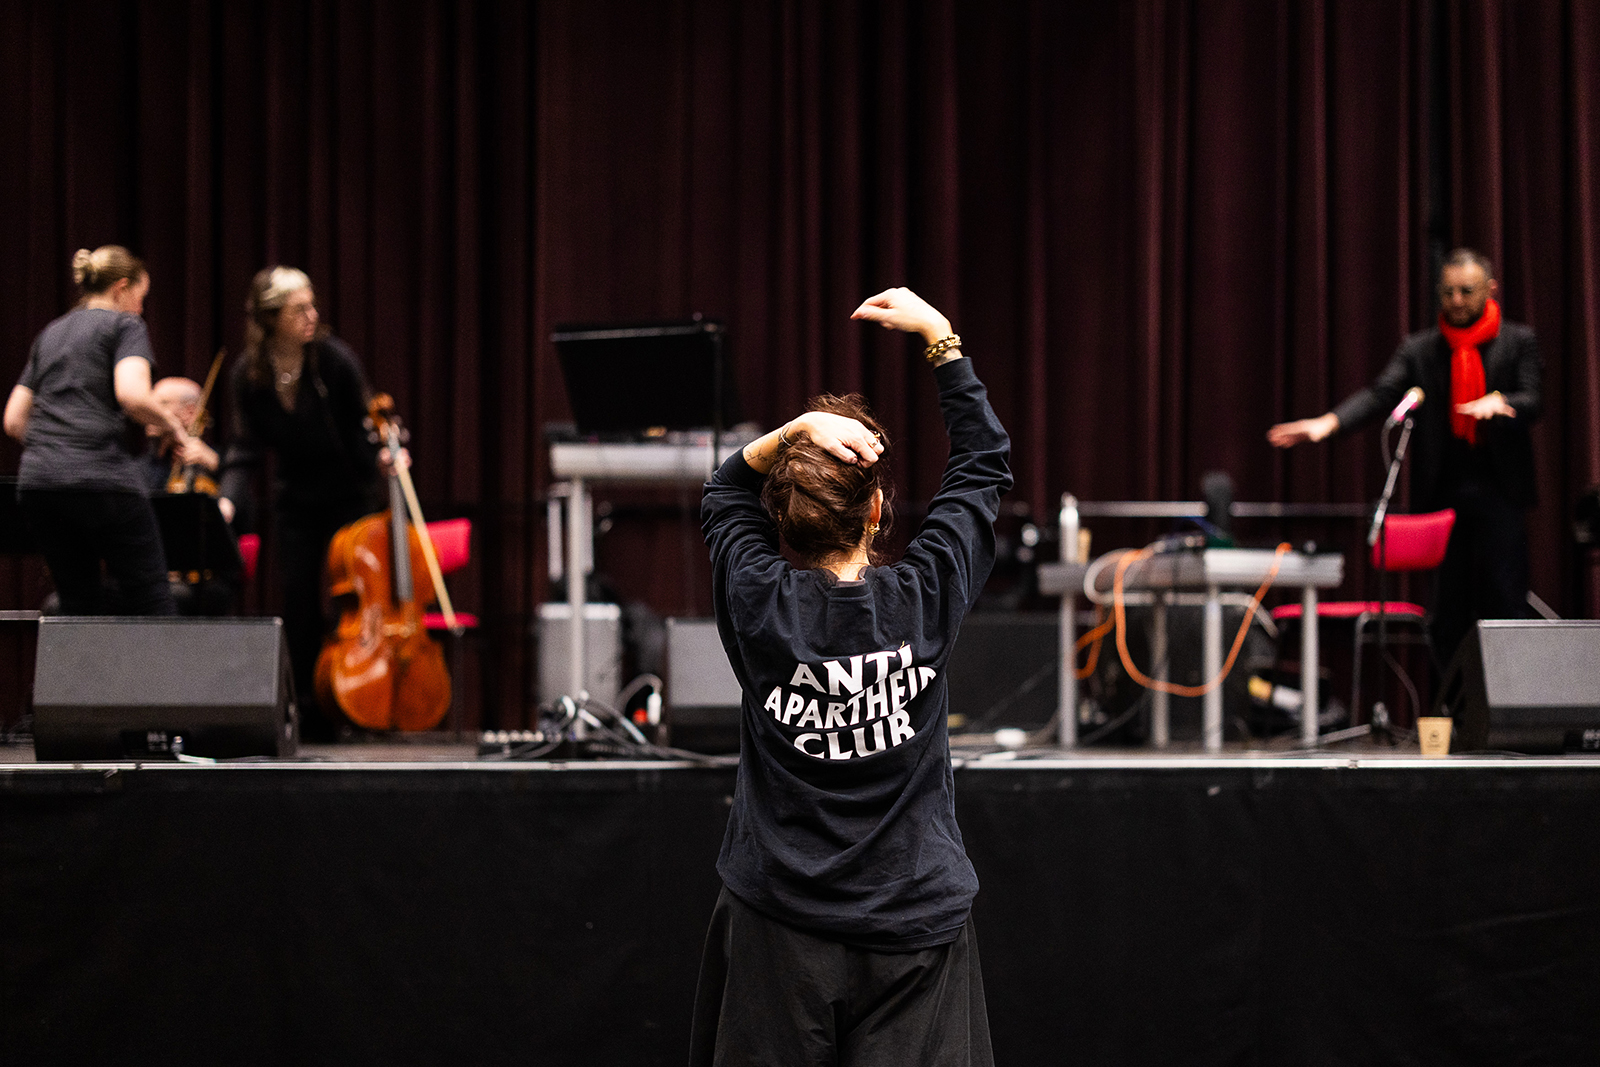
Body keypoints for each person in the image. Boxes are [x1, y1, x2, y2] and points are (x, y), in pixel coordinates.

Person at [691, 287, 1009, 1066]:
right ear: (876, 511)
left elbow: (724, 489)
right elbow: (982, 463)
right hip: (914, 930)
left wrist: (792, 435)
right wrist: (941, 338)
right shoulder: (926, 595)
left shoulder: (757, 597)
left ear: (785, 516)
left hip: (777, 929)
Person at [1267, 248, 1543, 666]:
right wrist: (1330, 422)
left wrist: (1503, 404)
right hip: (1443, 498)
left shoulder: (1517, 341)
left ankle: (1512, 715)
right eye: (1447, 292)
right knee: (1447, 613)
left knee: (1505, 603)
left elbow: (1535, 398)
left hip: (1500, 495)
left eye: (1465, 291)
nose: (1455, 300)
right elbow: (1381, 394)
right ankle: (1450, 719)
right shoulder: (1421, 350)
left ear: (1490, 290)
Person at [218, 267, 384, 740]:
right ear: (272, 318)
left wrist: (386, 454)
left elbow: (366, 423)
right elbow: (244, 448)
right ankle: (307, 713)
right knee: (298, 604)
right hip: (296, 502)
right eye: (299, 309)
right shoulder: (249, 375)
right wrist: (228, 501)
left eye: (312, 306)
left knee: (347, 607)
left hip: (350, 497)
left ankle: (353, 706)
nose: (312, 316)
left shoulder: (334, 360)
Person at [4, 246, 206, 615]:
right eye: (140, 298)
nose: (141, 309)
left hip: (39, 482)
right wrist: (175, 427)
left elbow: (14, 419)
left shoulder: (51, 333)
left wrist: (55, 448)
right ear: (121, 288)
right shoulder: (124, 325)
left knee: (77, 603)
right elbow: (132, 394)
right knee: (152, 601)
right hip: (100, 477)